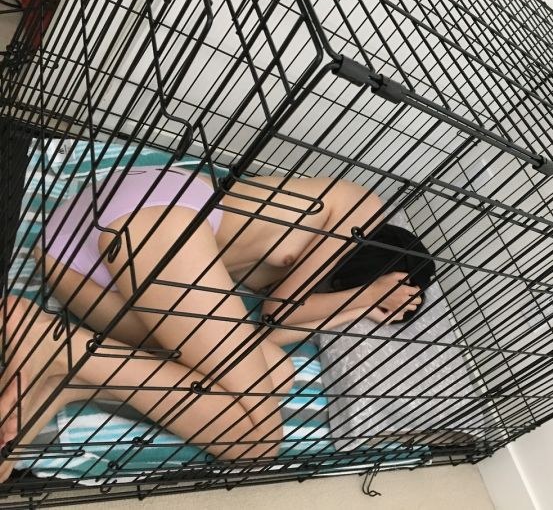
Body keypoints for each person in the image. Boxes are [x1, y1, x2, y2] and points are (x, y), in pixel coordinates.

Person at [0, 166, 433, 481]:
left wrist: (360, 305)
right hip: (152, 215)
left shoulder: (323, 274)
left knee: (277, 370)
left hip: (73, 261)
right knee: (258, 444)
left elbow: (272, 334)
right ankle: (60, 347)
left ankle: (69, 381)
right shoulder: (363, 207)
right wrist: (369, 294)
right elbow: (279, 313)